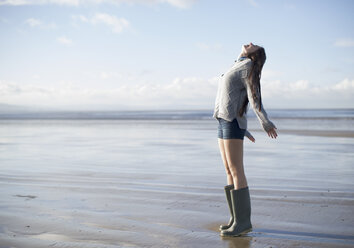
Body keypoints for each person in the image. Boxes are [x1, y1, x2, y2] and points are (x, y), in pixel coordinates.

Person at [213, 42, 278, 237]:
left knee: (236, 169)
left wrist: (264, 122)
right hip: (223, 120)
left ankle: (243, 222)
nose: (250, 43)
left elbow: (254, 96)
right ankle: (235, 219)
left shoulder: (248, 67)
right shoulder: (236, 65)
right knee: (228, 170)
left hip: (232, 122)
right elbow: (232, 97)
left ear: (255, 55)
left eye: (254, 45)